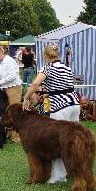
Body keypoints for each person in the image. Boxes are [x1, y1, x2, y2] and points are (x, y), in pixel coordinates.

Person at [23, 44, 81, 183]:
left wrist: (26, 97)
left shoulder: (47, 68)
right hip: (74, 104)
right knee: (73, 142)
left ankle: (59, 176)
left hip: (60, 107)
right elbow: (63, 85)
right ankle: (75, 170)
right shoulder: (67, 67)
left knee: (58, 142)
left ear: (45, 56)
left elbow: (35, 84)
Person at [0, 45, 23, 141]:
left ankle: (17, 136)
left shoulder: (9, 61)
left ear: (1, 53)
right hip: (7, 88)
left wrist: (0, 82)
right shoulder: (3, 62)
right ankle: (10, 133)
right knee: (9, 112)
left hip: (13, 88)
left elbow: (13, 76)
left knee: (15, 113)